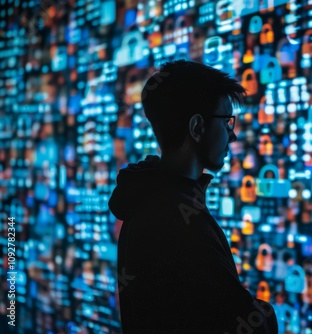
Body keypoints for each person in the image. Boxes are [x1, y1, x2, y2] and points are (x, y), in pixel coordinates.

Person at [108, 60, 278, 333]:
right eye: (226, 122)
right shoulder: (181, 223)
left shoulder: (144, 199)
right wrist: (265, 313)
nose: (232, 136)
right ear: (197, 127)